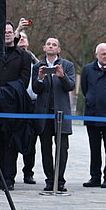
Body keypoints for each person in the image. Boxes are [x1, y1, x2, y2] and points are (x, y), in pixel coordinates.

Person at [32, 37, 76, 192]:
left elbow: (71, 86)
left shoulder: (68, 65)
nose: (51, 47)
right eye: (48, 44)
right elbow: (36, 89)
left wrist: (62, 76)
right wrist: (40, 78)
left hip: (61, 113)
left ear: (59, 49)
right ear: (44, 48)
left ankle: (60, 179)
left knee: (62, 148)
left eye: (54, 45)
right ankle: (50, 179)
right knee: (45, 148)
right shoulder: (38, 66)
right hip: (44, 114)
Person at [0, 20, 31, 190]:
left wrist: (2, 93)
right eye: (5, 32)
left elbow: (23, 82)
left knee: (10, 144)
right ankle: (0, 177)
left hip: (13, 107)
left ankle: (9, 178)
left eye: (10, 32)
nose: (8, 34)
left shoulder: (24, 56)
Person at [81, 43, 106, 189]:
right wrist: (92, 100)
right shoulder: (87, 70)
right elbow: (85, 89)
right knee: (94, 148)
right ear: (96, 54)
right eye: (103, 54)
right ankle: (94, 176)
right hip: (92, 114)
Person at [17, 30, 40, 185]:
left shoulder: (34, 60)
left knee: (31, 139)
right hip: (18, 104)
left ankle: (28, 172)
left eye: (25, 37)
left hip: (33, 103)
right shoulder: (12, 59)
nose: (22, 39)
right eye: (20, 37)